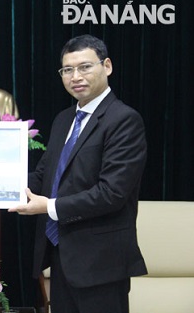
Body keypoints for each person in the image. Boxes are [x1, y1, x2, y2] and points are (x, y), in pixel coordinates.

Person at [8, 35, 147, 313]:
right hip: (62, 257)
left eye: (85, 67)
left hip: (102, 264)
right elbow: (45, 177)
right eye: (67, 70)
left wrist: (47, 206)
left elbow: (112, 194)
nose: (75, 76)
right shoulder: (64, 119)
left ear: (107, 66)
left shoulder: (123, 120)